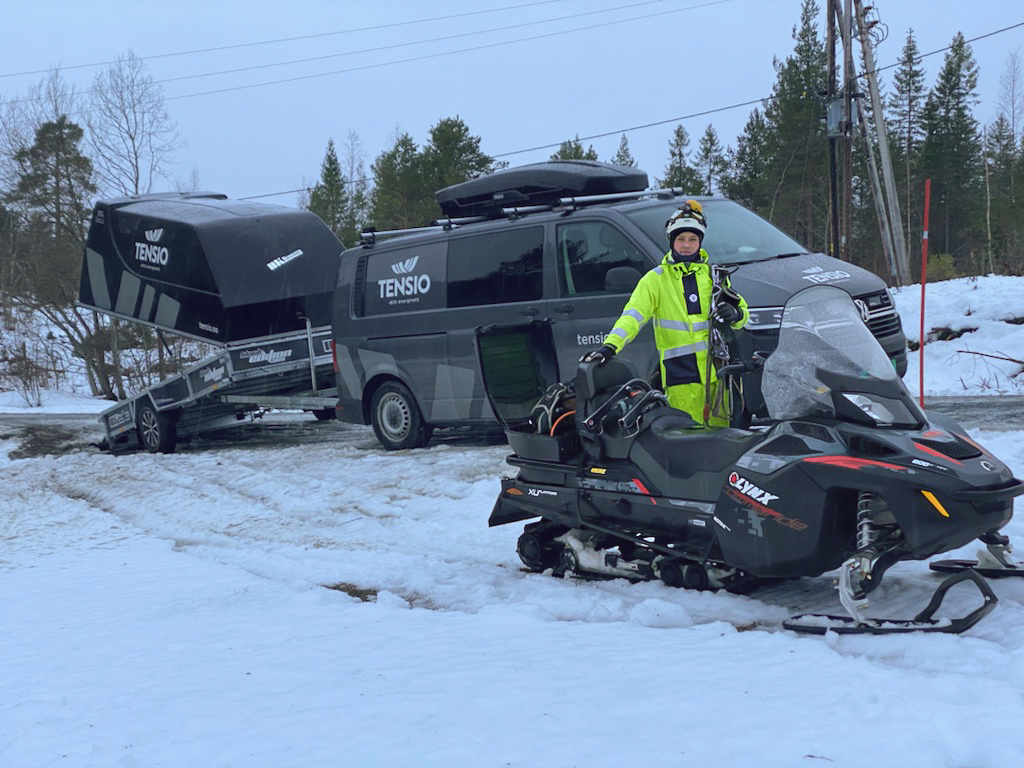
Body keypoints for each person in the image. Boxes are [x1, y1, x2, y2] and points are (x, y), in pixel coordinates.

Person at [582, 200, 749, 427]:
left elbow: (743, 313)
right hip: (680, 373)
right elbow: (633, 316)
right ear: (671, 241)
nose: (687, 245)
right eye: (680, 239)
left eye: (692, 239)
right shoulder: (656, 279)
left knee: (722, 439)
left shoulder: (715, 276)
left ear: (700, 241)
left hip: (716, 371)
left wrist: (735, 314)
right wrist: (610, 347)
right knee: (686, 435)